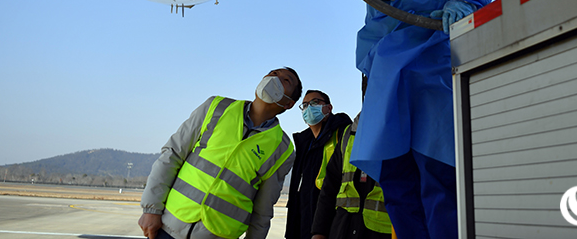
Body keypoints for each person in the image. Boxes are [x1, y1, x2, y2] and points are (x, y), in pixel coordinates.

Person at [314, 0, 505, 239]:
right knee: (396, 176)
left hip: (430, 60)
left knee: (438, 168)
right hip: (384, 74)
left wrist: (465, 1)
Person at [138, 68, 302, 239]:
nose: (274, 78)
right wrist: (151, 209)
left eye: (286, 80)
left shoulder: (282, 149)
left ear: (289, 104)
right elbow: (172, 155)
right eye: (273, 73)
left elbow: (263, 209)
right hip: (169, 227)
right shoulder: (216, 107)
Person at [311, 109, 392, 239]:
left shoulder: (401, 132)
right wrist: (319, 232)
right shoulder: (348, 134)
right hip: (343, 228)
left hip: (381, 231)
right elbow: (330, 188)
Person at [285, 90, 352, 239]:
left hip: (332, 226)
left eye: (315, 102)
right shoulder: (304, 145)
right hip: (304, 224)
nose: (309, 108)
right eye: (305, 105)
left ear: (329, 108)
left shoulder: (342, 135)